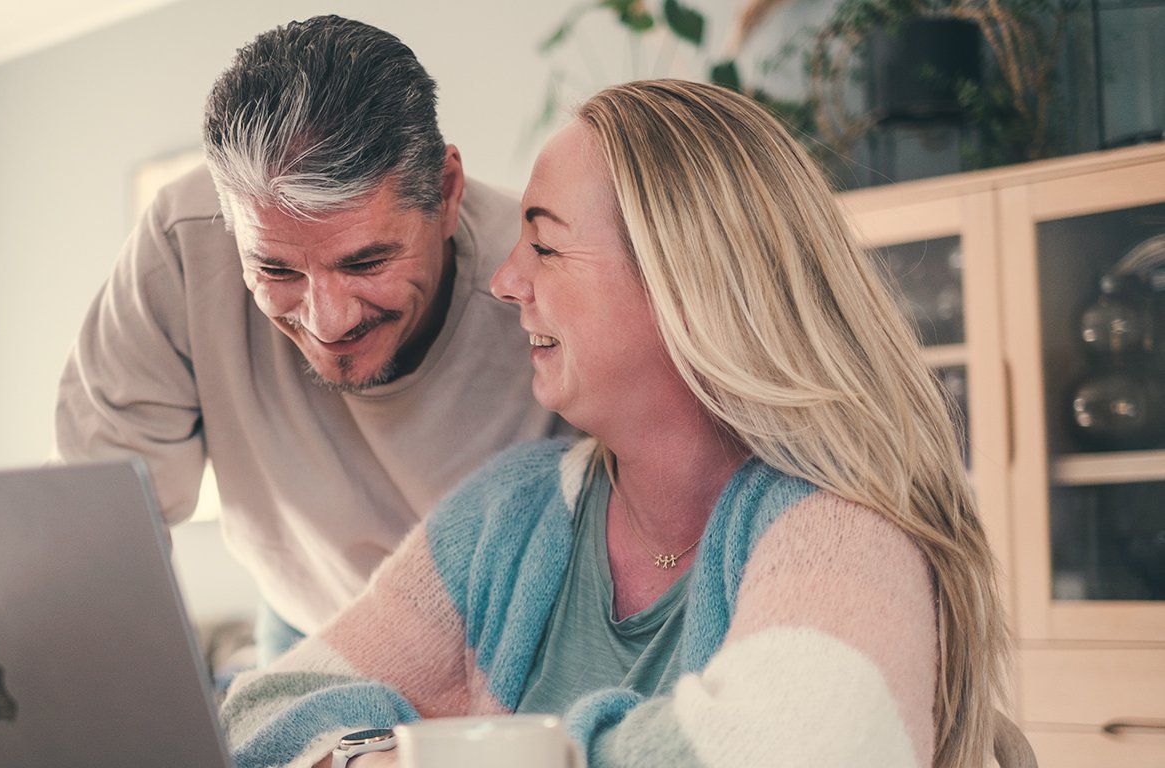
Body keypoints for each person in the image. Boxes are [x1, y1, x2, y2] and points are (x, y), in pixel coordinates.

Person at [218, 80, 1010, 768]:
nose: (505, 280)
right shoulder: (508, 514)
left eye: (546, 247)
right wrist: (378, 755)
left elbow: (786, 751)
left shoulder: (839, 524)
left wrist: (482, 751)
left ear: (683, 280)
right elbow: (258, 716)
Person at [52, 16, 567, 658]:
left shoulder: (546, 288)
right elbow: (104, 523)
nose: (329, 324)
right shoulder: (184, 241)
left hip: (502, 641)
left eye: (366, 262)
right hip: (308, 612)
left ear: (446, 192)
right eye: (275, 269)